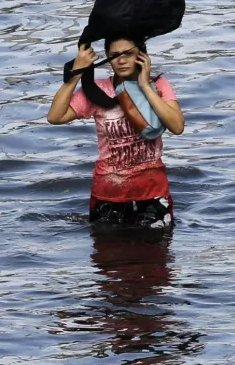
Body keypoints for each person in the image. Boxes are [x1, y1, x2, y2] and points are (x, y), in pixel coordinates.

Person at [47, 35, 185, 230]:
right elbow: (55, 117)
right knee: (107, 250)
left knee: (156, 250)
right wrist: (77, 73)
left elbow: (177, 127)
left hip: (152, 194)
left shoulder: (158, 84)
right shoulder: (98, 91)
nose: (121, 60)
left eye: (128, 54)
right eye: (114, 55)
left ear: (141, 55)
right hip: (108, 195)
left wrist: (145, 86)